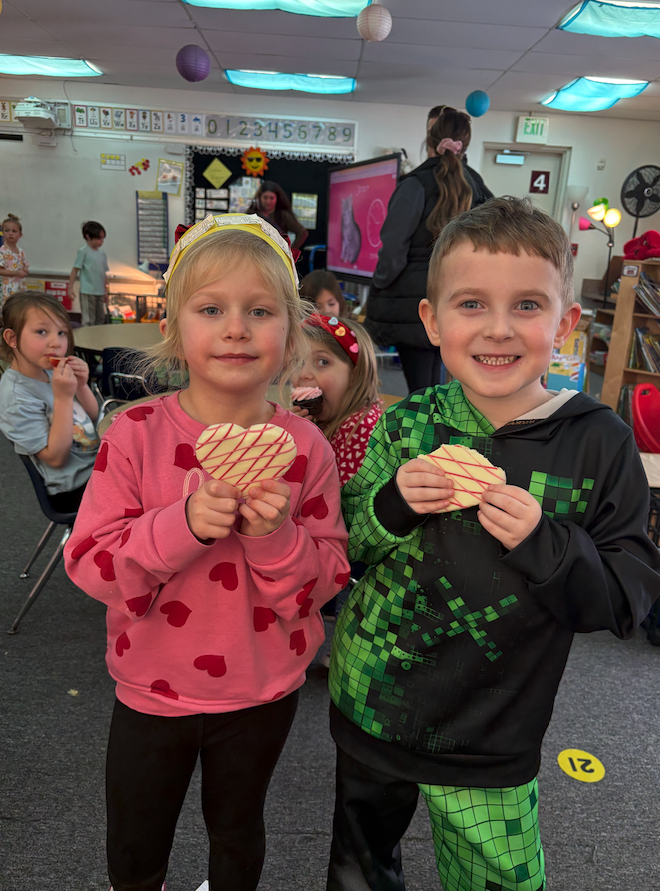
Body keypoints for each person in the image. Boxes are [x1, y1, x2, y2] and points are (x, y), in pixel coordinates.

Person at [327, 197, 660, 891]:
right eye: (471, 303)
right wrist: (392, 503)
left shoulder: (601, 442)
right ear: (433, 321)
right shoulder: (407, 423)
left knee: (500, 878)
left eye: (528, 306)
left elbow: (628, 596)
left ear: (566, 323)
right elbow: (346, 548)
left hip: (492, 725)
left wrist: (546, 541)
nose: (498, 329)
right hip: (374, 701)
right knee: (360, 868)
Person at [64, 213, 350, 891]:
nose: (235, 328)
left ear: (291, 329)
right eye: (212, 308)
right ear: (176, 327)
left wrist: (272, 535)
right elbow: (91, 562)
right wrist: (183, 523)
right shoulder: (134, 433)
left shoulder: (305, 448)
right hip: (152, 688)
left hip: (260, 689)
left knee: (238, 833)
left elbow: (325, 580)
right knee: (135, 845)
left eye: (259, 310)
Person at [365, 106, 489, 393]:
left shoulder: (414, 185)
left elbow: (393, 249)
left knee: (421, 390)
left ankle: (424, 437)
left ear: (428, 141)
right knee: (454, 390)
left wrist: (382, 285)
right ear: (465, 144)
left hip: (415, 306)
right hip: (465, 302)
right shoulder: (479, 187)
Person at [0, 291, 99, 513]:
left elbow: (91, 419)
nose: (56, 342)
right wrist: (63, 397)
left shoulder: (49, 372)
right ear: (12, 339)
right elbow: (55, 458)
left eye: (62, 332)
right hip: (73, 487)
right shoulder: (16, 397)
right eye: (42, 332)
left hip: (95, 466)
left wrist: (82, 386)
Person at [292, 314, 381, 487]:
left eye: (323, 361)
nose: (303, 374)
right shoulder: (330, 418)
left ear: (355, 374)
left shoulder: (360, 430)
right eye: (297, 362)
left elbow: (338, 500)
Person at [427, 105, 493, 206]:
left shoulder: (472, 180)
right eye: (431, 133)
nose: (435, 139)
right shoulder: (417, 181)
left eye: (440, 132)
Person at [68, 220, 109, 327]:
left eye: (103, 238)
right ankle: (86, 342)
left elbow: (104, 273)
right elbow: (75, 270)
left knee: (100, 318)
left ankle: (98, 341)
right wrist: (70, 288)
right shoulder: (83, 251)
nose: (101, 241)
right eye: (99, 238)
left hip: (99, 291)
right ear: (88, 237)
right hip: (87, 291)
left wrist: (106, 290)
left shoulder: (102, 254)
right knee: (88, 320)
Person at [249, 181, 308, 251]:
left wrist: (290, 252)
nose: (268, 201)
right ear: (259, 198)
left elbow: (303, 232)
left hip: (276, 256)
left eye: (271, 198)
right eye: (265, 197)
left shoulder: (283, 216)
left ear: (277, 198)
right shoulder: (252, 215)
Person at [0, 213, 29, 312]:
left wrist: (25, 269)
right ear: (3, 232)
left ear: (20, 234)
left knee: (19, 309)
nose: (10, 233)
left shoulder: (20, 251)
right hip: (7, 287)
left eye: (14, 231)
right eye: (7, 231)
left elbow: (24, 265)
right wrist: (16, 273)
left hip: (19, 286)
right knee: (8, 309)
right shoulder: (2, 251)